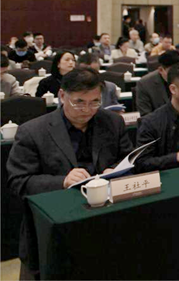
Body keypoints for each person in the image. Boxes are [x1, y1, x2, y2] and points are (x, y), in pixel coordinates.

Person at [8, 69, 132, 277]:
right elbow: (18, 182)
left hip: (107, 217)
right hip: (58, 222)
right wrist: (62, 181)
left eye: (95, 102)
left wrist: (116, 169)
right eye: (79, 102)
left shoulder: (112, 122)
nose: (87, 110)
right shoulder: (33, 132)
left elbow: (128, 158)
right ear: (62, 96)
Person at [136, 50, 179, 116]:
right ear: (161, 70)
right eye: (172, 71)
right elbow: (145, 116)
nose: (177, 75)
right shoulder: (145, 84)